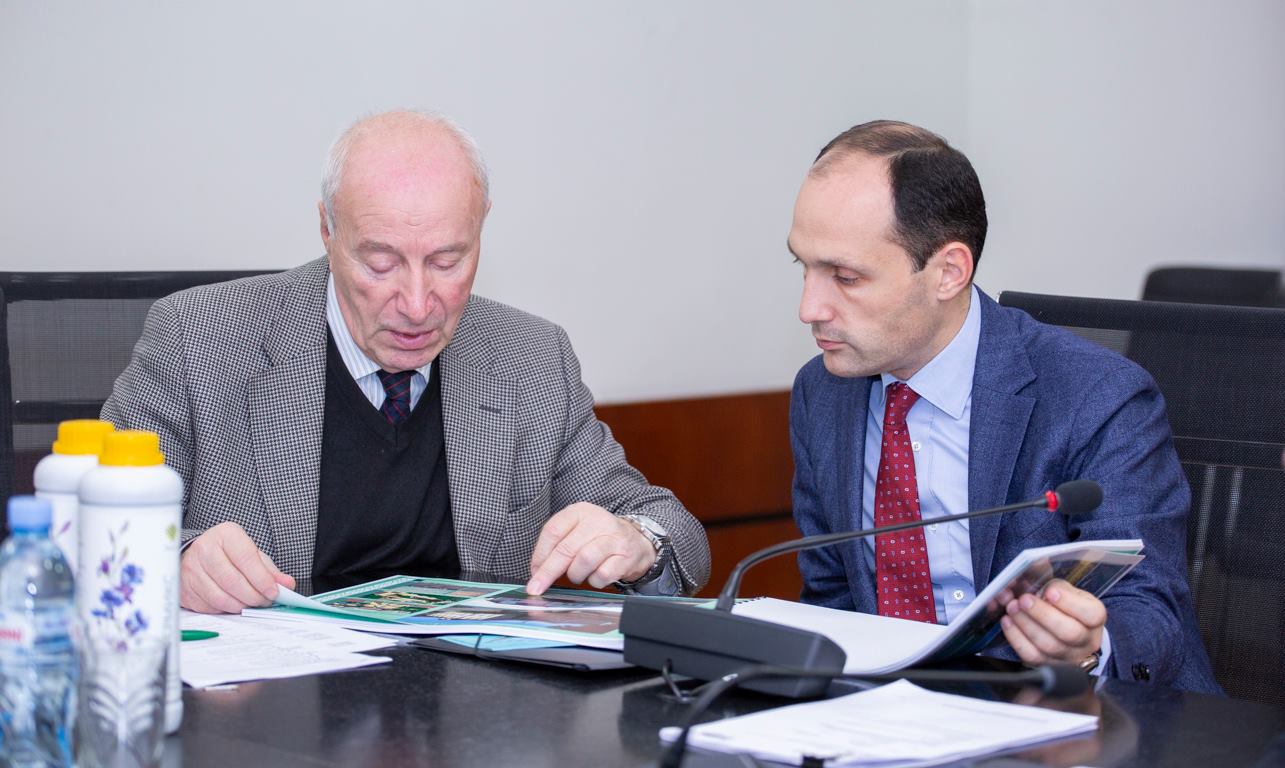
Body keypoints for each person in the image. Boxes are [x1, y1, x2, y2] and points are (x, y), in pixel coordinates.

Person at [102, 110, 710, 613]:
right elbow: (88, 527)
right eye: (381, 262)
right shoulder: (198, 338)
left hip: (470, 697)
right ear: (327, 231)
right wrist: (177, 561)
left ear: (481, 229)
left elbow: (673, 532)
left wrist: (636, 543)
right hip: (274, 699)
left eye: (447, 261)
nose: (418, 305)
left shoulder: (531, 357)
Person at [786, 119, 1219, 692]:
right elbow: (833, 597)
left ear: (948, 272)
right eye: (804, 267)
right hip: (895, 715)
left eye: (845, 277)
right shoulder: (822, 392)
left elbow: (1149, 612)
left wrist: (1087, 646)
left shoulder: (1098, 396)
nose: (810, 308)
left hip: (1082, 711)